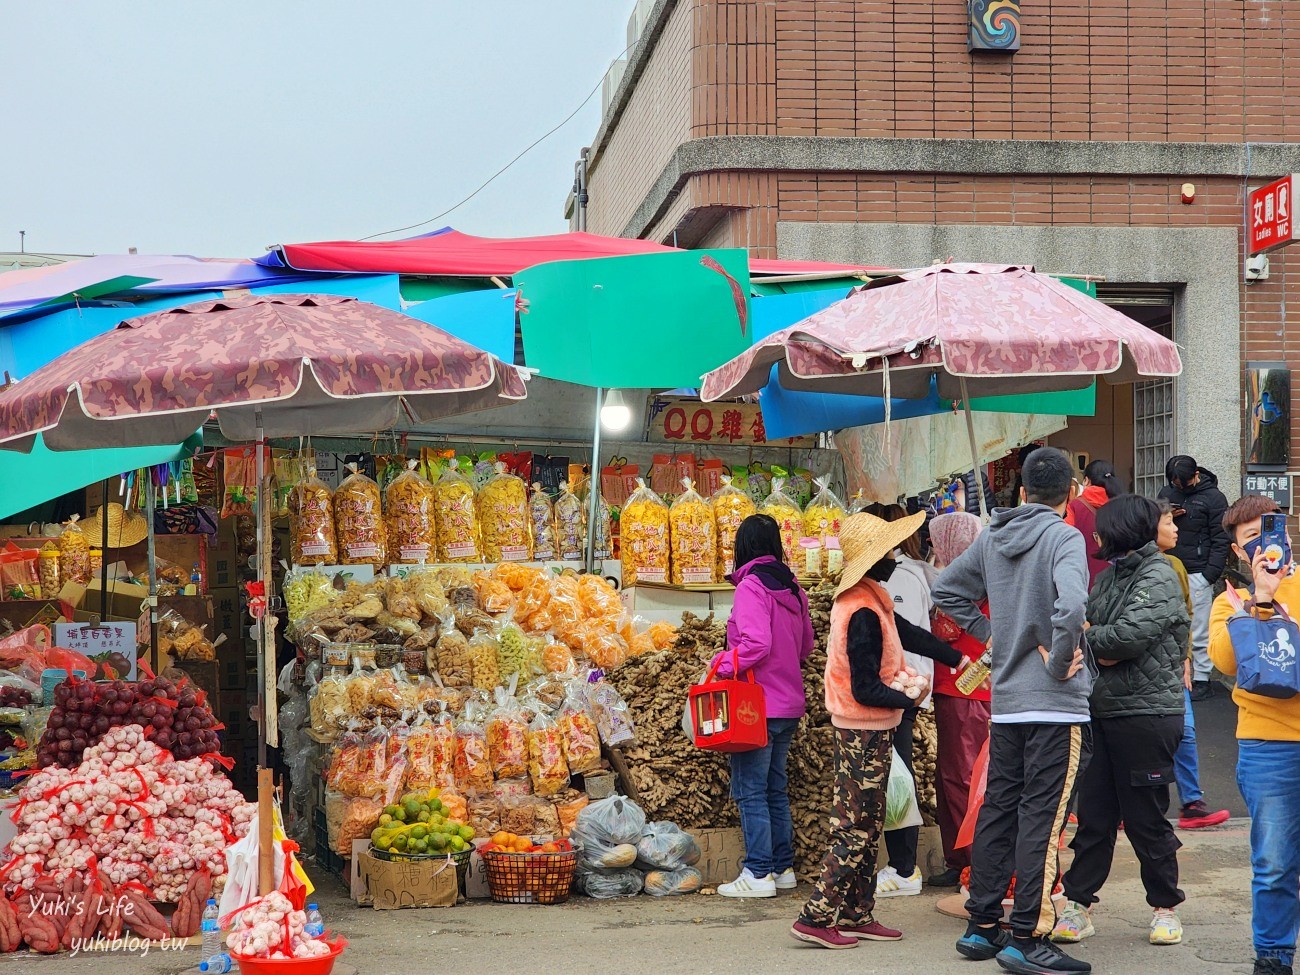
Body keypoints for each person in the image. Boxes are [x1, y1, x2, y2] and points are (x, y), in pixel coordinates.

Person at [934, 446, 1093, 975]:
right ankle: (1027, 933)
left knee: (1000, 809)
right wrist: (1059, 659)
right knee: (1043, 820)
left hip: (1006, 705)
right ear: (1069, 494)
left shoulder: (993, 538)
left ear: (1021, 491)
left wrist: (994, 638)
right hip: (1054, 703)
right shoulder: (1065, 537)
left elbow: (945, 591)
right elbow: (1071, 607)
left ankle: (982, 924)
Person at [792, 512, 963, 950]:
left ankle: (856, 913)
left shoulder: (873, 600)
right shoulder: (860, 612)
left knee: (869, 824)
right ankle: (815, 917)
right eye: (887, 552)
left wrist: (952, 657)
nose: (894, 558)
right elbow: (864, 687)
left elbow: (906, 632)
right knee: (853, 828)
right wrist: (908, 699)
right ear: (870, 561)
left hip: (874, 729)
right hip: (861, 733)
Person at [1050, 495, 1190, 948]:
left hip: (1147, 713)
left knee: (1146, 819)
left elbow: (1126, 638)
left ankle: (1165, 908)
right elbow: (1085, 630)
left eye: (1101, 528)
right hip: (1100, 710)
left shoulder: (1160, 574)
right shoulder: (1110, 577)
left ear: (1122, 531)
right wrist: (1097, 642)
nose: (1094, 535)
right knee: (1093, 817)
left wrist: (1095, 640)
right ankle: (1077, 905)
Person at [1208, 495, 1300, 975]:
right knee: (1276, 861)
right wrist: (1261, 601)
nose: (1267, 545)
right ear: (1241, 552)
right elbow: (1226, 663)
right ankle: (1274, 957)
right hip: (1268, 745)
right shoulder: (1230, 602)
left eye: (1273, 532)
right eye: (1252, 539)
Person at [713, 514, 815, 899]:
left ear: (743, 548)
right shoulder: (795, 589)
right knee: (774, 788)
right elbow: (806, 647)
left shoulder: (751, 587)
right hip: (789, 705)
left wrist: (721, 664)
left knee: (750, 789)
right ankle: (781, 868)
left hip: (755, 706)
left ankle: (757, 873)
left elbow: (756, 644)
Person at [870, 503, 934, 897]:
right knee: (892, 777)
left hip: (898, 696)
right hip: (895, 693)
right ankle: (900, 865)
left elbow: (905, 641)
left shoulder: (903, 579)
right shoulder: (903, 578)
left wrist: (904, 689)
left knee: (897, 779)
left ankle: (904, 867)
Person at [1156, 501, 1232, 830]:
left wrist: (1185, 657)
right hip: (1142, 669)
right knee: (1142, 737)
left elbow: (1184, 616)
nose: (1176, 529)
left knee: (1184, 732)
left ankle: (1191, 802)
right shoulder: (1123, 565)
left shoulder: (1175, 565)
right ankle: (1124, 806)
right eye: (1168, 523)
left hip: (1172, 664)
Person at [925, 511, 990, 887]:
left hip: (963, 689)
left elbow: (944, 631)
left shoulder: (962, 580)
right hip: (974, 687)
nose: (933, 547)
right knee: (959, 774)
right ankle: (961, 858)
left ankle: (972, 861)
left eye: (937, 541)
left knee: (962, 776)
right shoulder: (987, 573)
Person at [1158, 455, 1230, 701]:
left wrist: (1211, 574)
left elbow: (1221, 538)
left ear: (1195, 474)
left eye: (1182, 483)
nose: (1178, 487)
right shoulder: (1167, 492)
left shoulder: (1214, 498)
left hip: (1199, 571)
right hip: (1169, 567)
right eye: (1174, 484)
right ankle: (1174, 674)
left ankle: (1201, 678)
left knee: (1199, 627)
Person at [1068, 459, 1124, 587]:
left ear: (1087, 480)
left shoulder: (1075, 506)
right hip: (1119, 582)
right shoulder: (1122, 505)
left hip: (1086, 580)